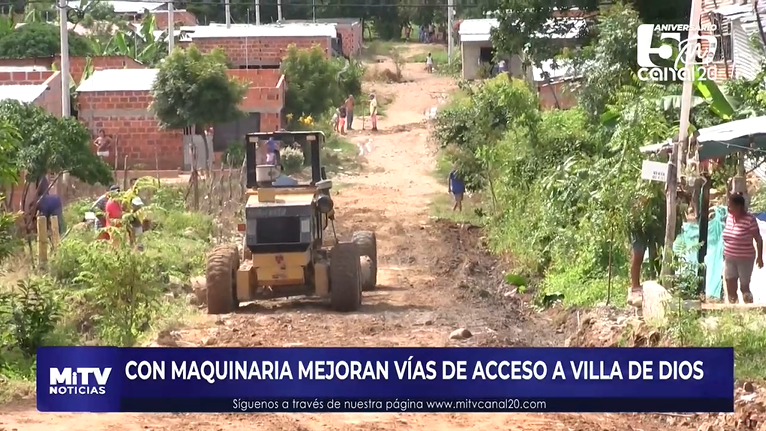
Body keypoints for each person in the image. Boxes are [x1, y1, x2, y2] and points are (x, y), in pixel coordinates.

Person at [723, 193, 763, 304]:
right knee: (730, 285)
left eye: (731, 206)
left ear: (739, 207)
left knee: (744, 287)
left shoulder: (750, 220)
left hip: (745, 258)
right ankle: (734, 310)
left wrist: (760, 257)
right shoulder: (729, 218)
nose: (729, 208)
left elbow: (758, 239)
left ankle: (749, 310)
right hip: (729, 258)